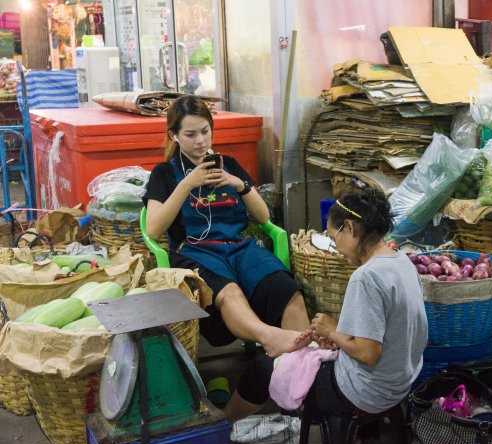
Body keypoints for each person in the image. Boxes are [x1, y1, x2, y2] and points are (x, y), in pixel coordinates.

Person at [224, 190, 428, 422]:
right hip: (400, 384)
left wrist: (331, 331)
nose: (336, 247)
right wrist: (339, 338)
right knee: (303, 352)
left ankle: (220, 431)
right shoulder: (402, 261)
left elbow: (369, 353)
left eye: (334, 237)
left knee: (262, 369)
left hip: (365, 392)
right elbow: (386, 332)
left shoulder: (367, 277)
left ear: (350, 228)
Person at [142, 95, 309, 358]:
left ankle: (305, 368)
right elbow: (152, 229)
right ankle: (271, 338)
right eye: (190, 134)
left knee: (287, 291)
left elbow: (263, 216)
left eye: (205, 131)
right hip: (194, 252)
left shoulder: (228, 164)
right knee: (229, 293)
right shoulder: (164, 173)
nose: (200, 141)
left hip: (239, 248)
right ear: (174, 135)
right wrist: (186, 184)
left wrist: (238, 184)